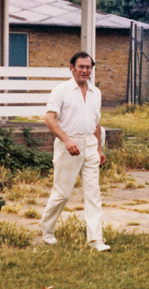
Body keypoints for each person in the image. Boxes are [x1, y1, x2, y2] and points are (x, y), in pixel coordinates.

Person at [40, 51, 110, 251]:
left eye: (88, 67)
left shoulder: (96, 93)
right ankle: (47, 230)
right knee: (62, 193)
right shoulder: (61, 90)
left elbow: (96, 123)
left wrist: (98, 147)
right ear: (72, 68)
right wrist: (66, 140)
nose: (85, 71)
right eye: (81, 67)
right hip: (68, 146)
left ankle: (96, 239)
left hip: (89, 145)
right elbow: (49, 119)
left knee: (93, 193)